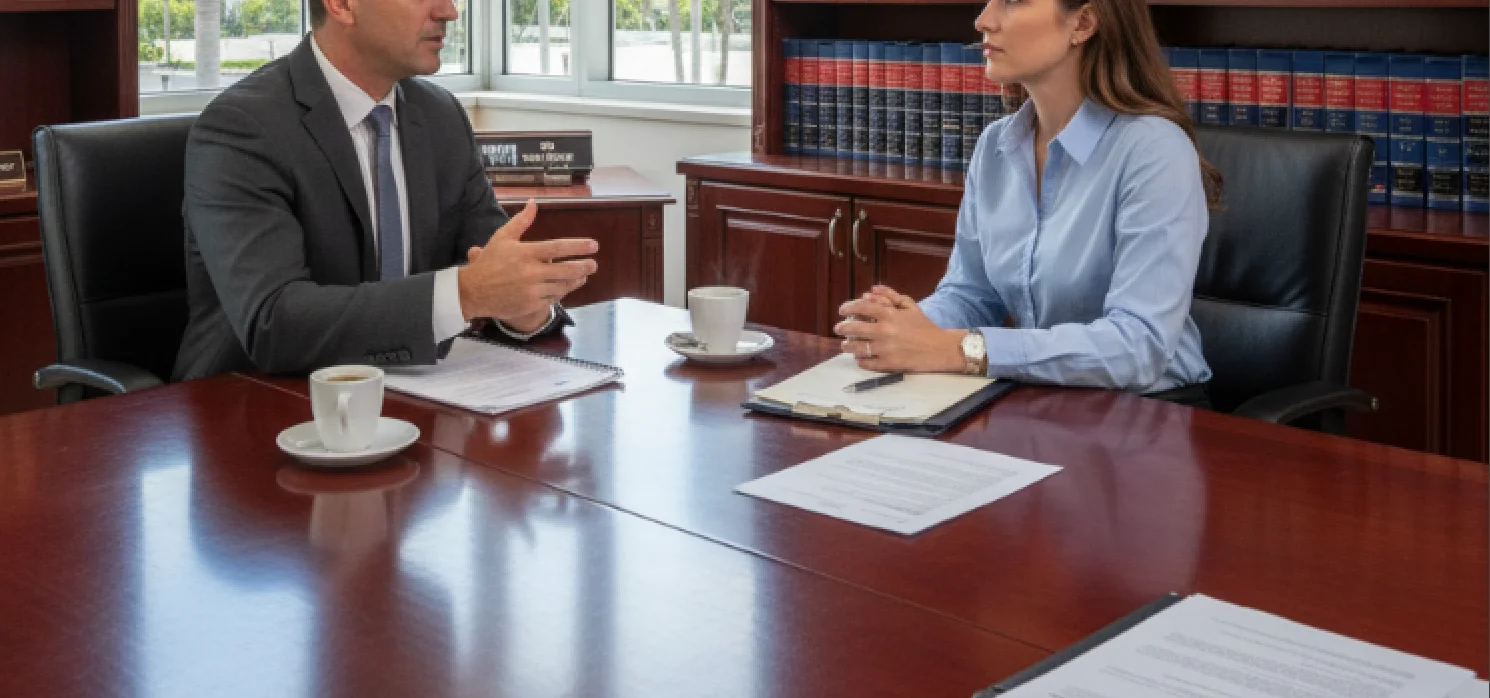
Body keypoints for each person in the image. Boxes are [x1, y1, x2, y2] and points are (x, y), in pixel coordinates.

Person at [172, 0, 598, 381]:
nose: (449, 11)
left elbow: (493, 261)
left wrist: (526, 307)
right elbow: (273, 323)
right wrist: (466, 294)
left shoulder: (441, 116)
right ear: (341, 5)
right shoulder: (242, 127)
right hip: (252, 408)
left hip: (413, 402)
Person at [833, 0, 1222, 408]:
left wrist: (960, 350)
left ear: (1084, 22)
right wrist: (901, 329)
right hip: (1044, 402)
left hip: (1152, 414)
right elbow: (971, 294)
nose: (983, 20)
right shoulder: (996, 145)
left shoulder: (1154, 151)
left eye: (1013, 2)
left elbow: (1138, 346)